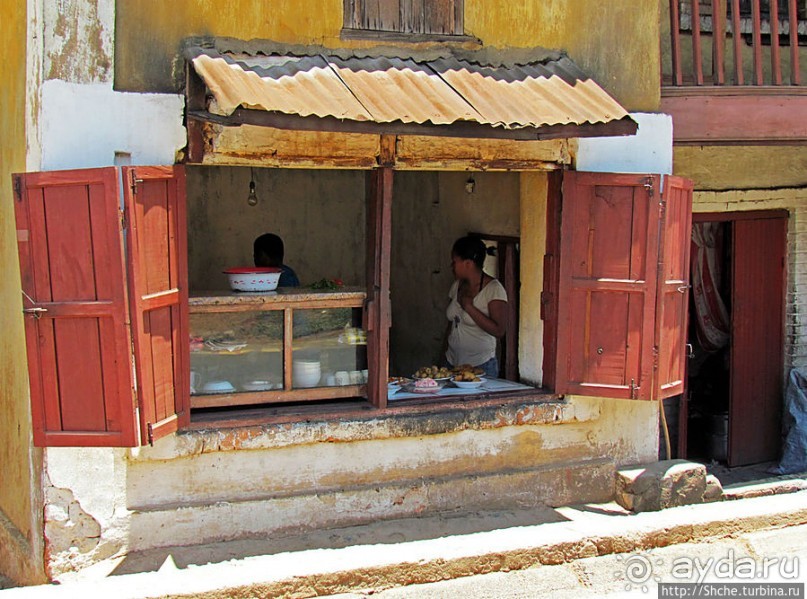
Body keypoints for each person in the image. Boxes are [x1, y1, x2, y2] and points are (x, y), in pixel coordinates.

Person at [445, 236, 507, 379]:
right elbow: (451, 324)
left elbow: (499, 330)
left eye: (454, 262)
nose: (452, 266)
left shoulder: (494, 289)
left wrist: (469, 307)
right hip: (452, 363)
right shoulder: (456, 286)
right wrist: (443, 354)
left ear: (468, 264)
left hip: (481, 366)